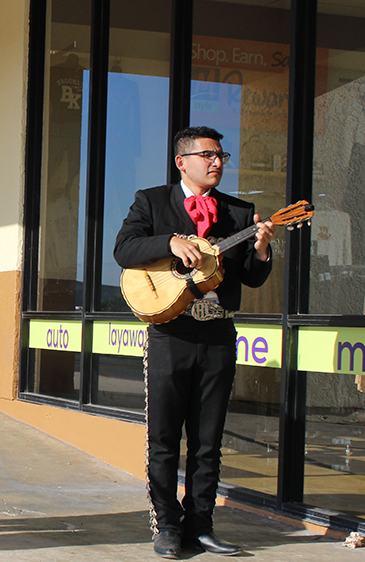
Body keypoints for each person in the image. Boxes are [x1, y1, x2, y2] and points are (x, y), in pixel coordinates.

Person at [114, 126, 275, 558]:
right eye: (208, 154)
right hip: (170, 333)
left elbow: (251, 278)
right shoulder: (152, 201)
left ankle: (201, 525)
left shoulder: (241, 213)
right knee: (164, 437)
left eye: (222, 155)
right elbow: (124, 250)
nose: (217, 162)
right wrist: (169, 241)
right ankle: (166, 525)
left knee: (208, 439)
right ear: (182, 161)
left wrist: (260, 251)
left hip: (219, 333)